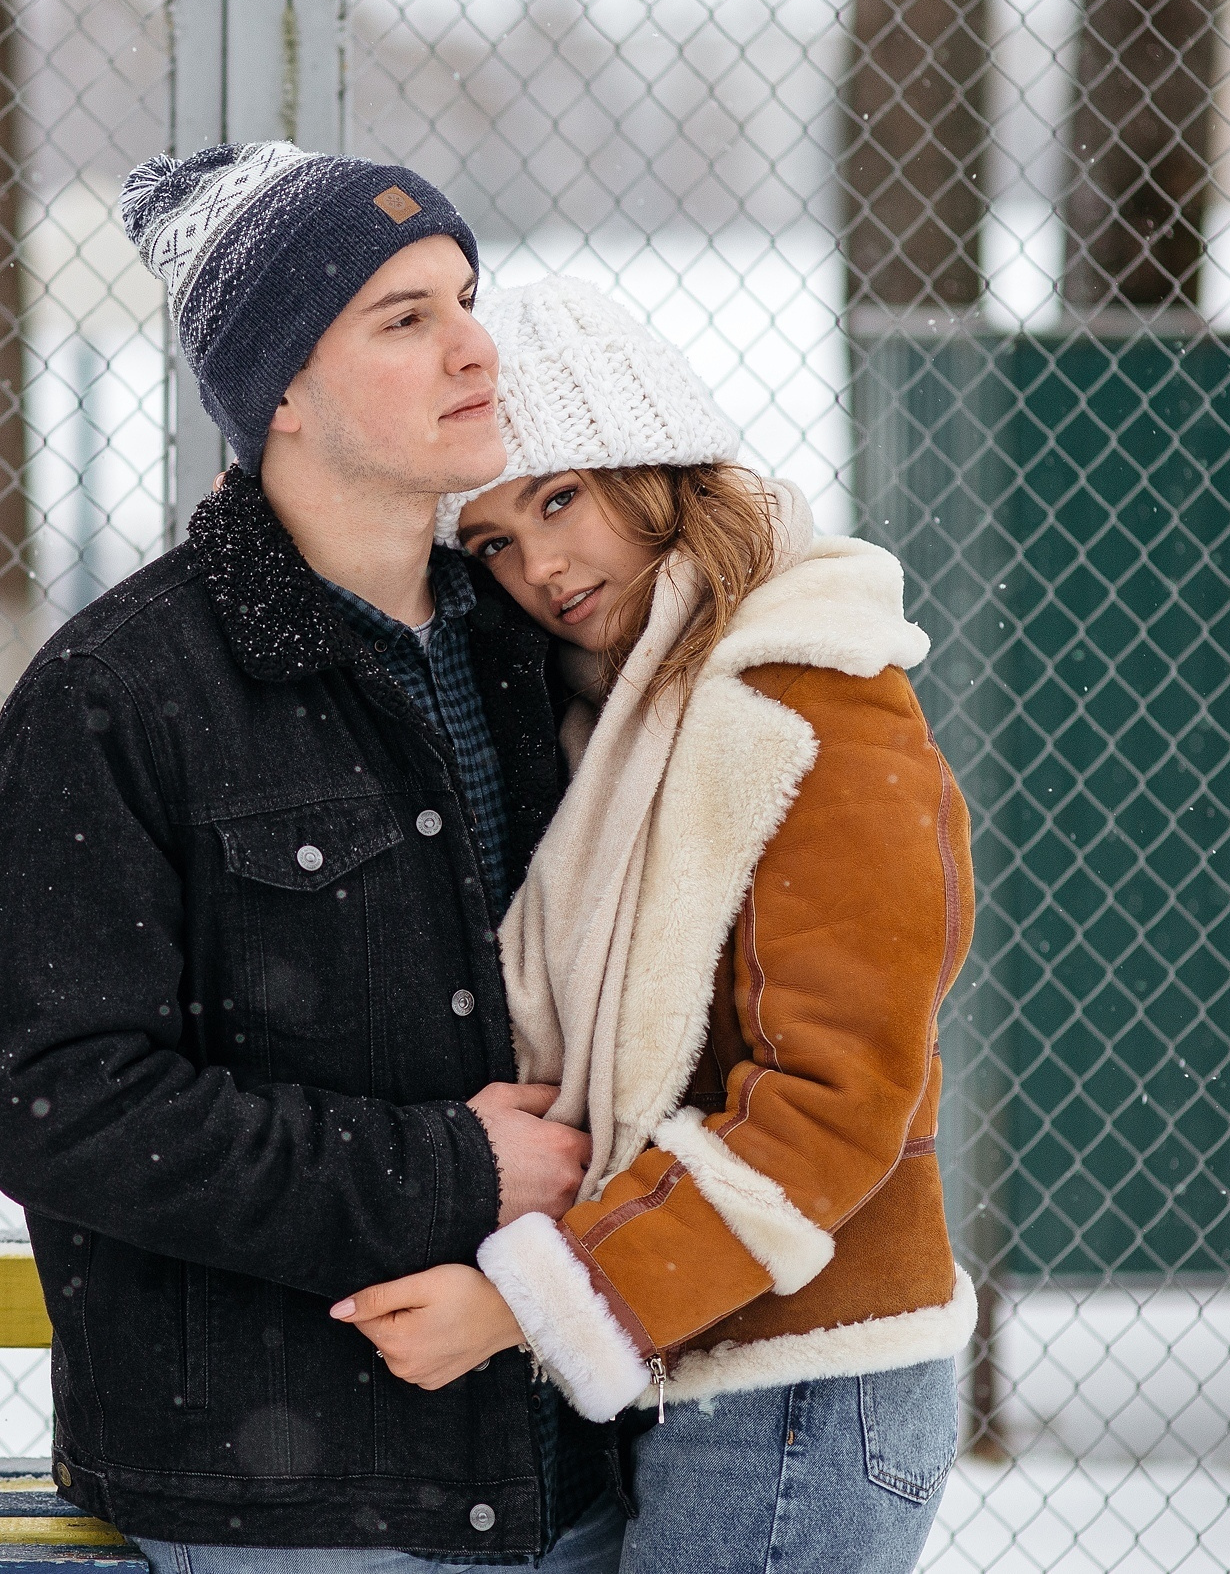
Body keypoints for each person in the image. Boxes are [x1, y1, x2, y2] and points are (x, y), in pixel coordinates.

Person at [0, 145, 622, 1567]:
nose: (473, 348)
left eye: (464, 297)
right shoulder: (124, 694)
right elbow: (60, 1107)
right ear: (280, 396)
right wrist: (448, 1172)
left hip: (568, 1461)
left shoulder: (532, 650)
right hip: (290, 1501)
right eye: (404, 319)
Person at [330, 275, 977, 1574]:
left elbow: (833, 1100)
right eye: (495, 541)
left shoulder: (804, 705)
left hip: (802, 1378)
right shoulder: (626, 717)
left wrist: (535, 1301)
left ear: (658, 463)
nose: (542, 567)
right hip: (700, 1358)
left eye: (560, 498)